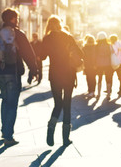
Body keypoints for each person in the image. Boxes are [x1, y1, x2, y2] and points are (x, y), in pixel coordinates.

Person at [0, 8, 38, 147]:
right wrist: (33, 70)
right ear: (12, 19)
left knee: (5, 101)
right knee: (12, 104)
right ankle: (8, 136)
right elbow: (28, 54)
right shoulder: (18, 34)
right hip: (13, 73)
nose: (17, 20)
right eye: (16, 18)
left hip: (0, 72)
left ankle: (4, 131)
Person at [41, 15, 84, 146]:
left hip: (55, 75)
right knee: (67, 105)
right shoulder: (68, 37)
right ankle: (66, 138)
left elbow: (42, 56)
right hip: (69, 74)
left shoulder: (47, 38)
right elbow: (81, 54)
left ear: (49, 25)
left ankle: (50, 128)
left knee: (57, 104)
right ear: (60, 24)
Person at [95, 31, 113, 98]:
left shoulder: (96, 46)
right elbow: (111, 54)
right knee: (108, 79)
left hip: (99, 64)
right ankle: (108, 94)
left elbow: (95, 55)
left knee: (99, 79)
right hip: (108, 64)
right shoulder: (109, 45)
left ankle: (99, 94)